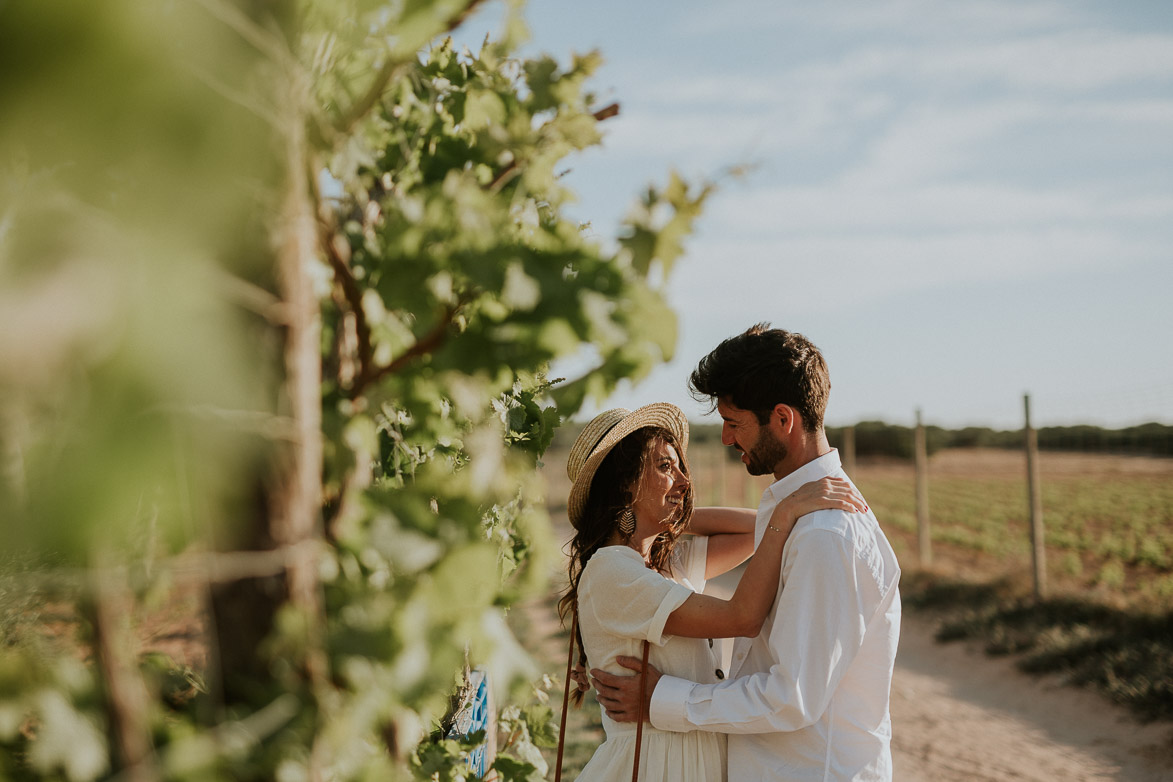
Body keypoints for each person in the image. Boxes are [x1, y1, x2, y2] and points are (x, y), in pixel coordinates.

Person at [591, 325, 902, 781]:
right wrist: (640, 516)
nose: (724, 439)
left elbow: (789, 696)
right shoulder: (796, 519)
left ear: (782, 419)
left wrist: (661, 700)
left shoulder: (825, 535)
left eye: (734, 423)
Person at [561, 401, 866, 782]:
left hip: (692, 762)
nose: (685, 483)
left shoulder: (667, 565)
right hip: (654, 766)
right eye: (665, 467)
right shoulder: (612, 571)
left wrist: (668, 518)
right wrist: (786, 512)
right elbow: (743, 616)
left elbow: (753, 531)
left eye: (679, 467)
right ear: (624, 481)